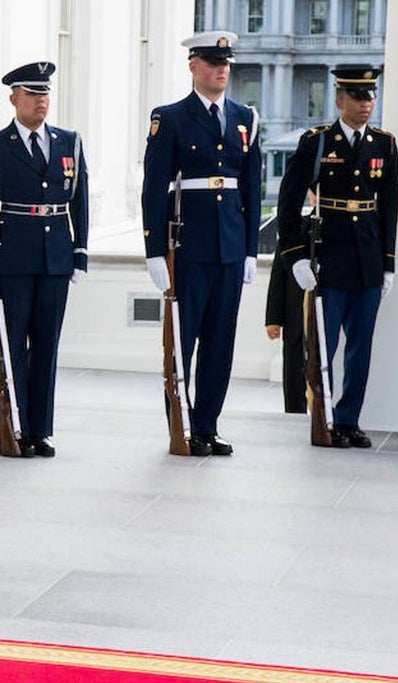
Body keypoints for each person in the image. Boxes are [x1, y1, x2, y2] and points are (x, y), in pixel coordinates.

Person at [141, 31, 262, 457]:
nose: (221, 69)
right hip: (188, 247)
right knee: (182, 341)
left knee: (219, 342)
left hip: (229, 247)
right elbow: (154, 186)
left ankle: (208, 426)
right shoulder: (170, 117)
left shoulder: (244, 117)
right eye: (213, 62)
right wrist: (154, 249)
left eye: (226, 62)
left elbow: (251, 187)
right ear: (193, 66)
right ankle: (181, 424)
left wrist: (251, 250)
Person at [0, 61, 89, 458]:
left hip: (56, 257)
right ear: (14, 98)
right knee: (13, 345)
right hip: (14, 255)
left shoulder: (69, 141)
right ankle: (16, 424)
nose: (41, 102)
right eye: (33, 94)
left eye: (45, 94)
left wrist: (80, 251)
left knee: (47, 346)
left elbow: (80, 199)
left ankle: (42, 430)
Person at [276, 66, 398, 449]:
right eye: (359, 97)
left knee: (360, 347)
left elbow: (389, 208)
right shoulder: (317, 142)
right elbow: (289, 200)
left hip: (367, 261)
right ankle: (323, 417)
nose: (367, 104)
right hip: (328, 257)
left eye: (371, 96)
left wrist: (388, 263)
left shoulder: (384, 144)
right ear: (339, 99)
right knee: (322, 349)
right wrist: (295, 256)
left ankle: (349, 420)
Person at [264, 244, 307, 414]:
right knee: (294, 362)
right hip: (294, 311)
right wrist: (273, 319)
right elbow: (278, 275)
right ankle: (295, 411)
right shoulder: (291, 230)